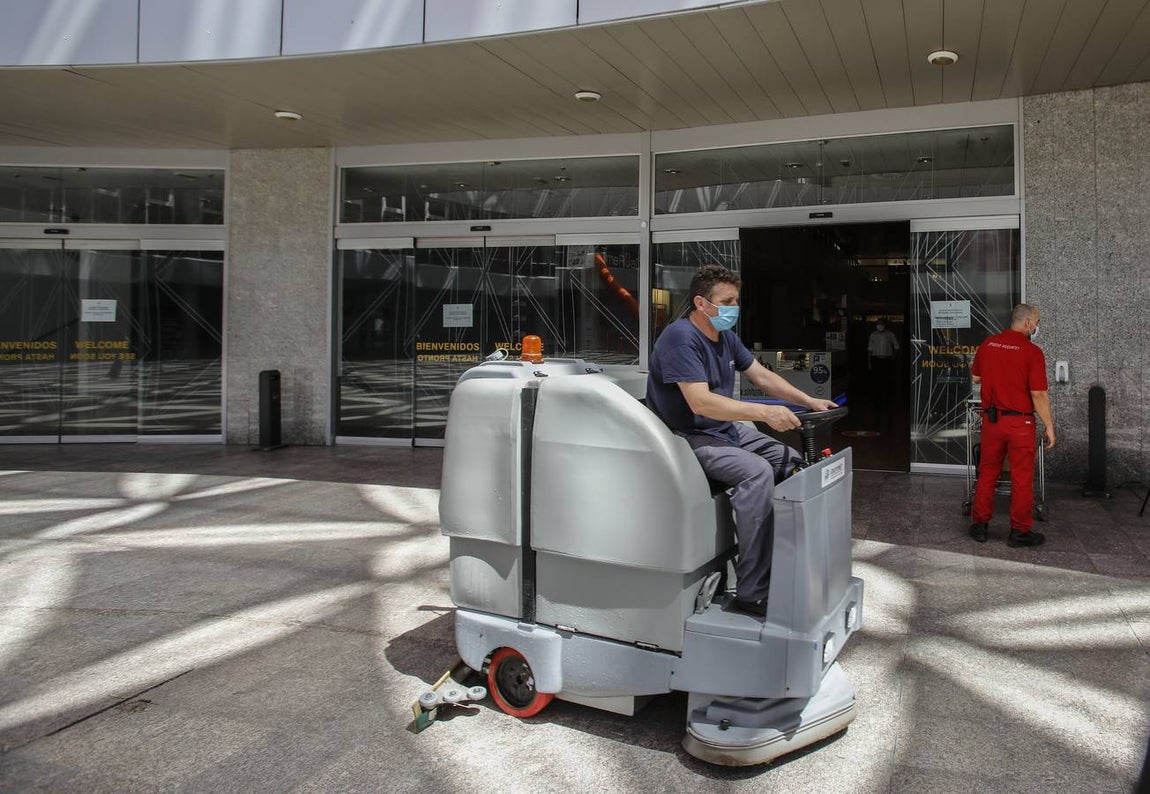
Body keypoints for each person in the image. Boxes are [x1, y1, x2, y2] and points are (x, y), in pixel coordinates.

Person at [645, 265, 838, 617]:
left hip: (723, 431)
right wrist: (765, 415)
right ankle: (752, 592)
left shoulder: (727, 338)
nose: (735, 307)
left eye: (737, 300)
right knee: (757, 473)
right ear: (702, 303)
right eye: (727, 301)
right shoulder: (680, 338)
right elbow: (700, 403)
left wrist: (808, 401)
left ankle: (784, 562)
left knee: (792, 462)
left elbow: (762, 376)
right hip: (688, 438)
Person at [969, 303, 1055, 546]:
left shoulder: (989, 344)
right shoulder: (1032, 352)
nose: (1037, 327)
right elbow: (1038, 394)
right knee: (1021, 478)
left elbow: (975, 377)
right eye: (1036, 322)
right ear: (1027, 323)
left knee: (987, 473)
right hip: (1020, 423)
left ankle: (980, 526)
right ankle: (1019, 532)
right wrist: (1049, 425)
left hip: (992, 421)